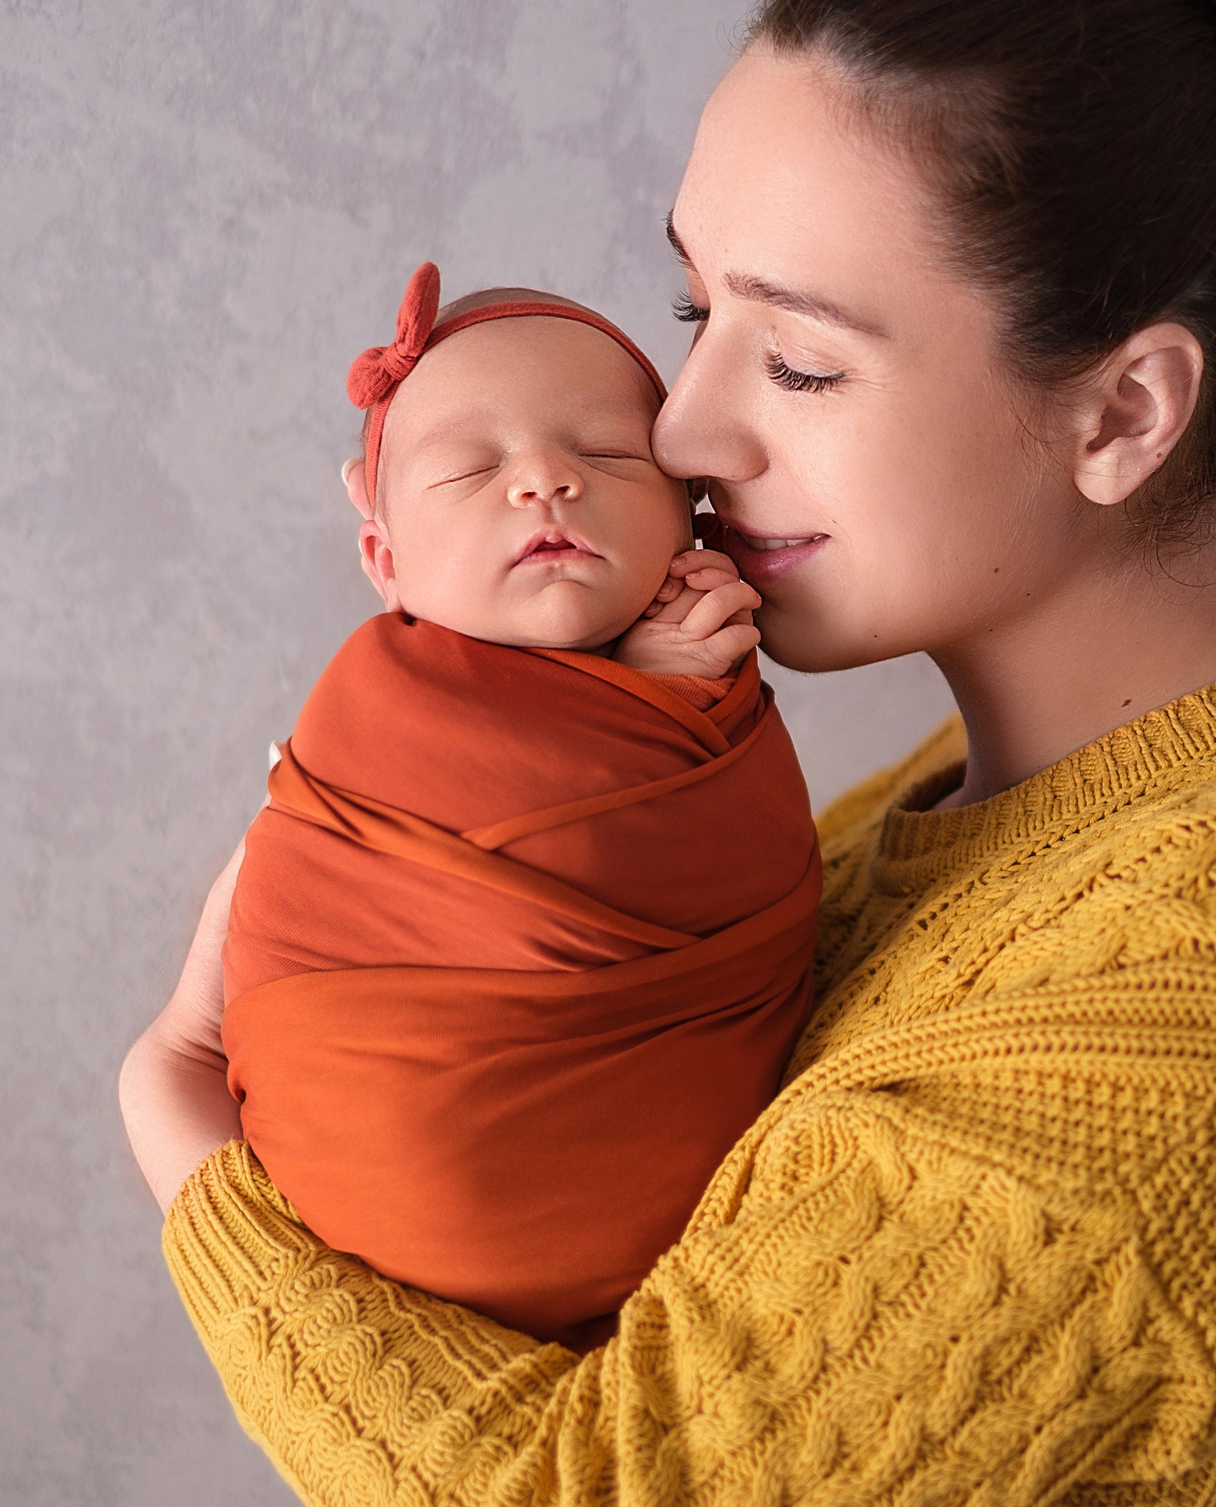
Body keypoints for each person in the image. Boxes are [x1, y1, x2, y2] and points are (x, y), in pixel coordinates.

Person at [119, 0, 1216, 1505]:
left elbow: (594, 1488)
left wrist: (183, 1122)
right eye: (701, 316)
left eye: (806, 363)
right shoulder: (960, 802)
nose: (683, 430)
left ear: (1121, 411)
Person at [219, 263, 819, 1350]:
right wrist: (646, 703)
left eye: (604, 453)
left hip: (657, 1216)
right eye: (468, 468)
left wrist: (676, 701)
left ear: (692, 520)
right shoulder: (376, 710)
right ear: (383, 559)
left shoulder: (712, 689)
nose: (545, 480)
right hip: (372, 1169)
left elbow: (699, 852)